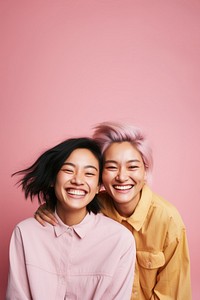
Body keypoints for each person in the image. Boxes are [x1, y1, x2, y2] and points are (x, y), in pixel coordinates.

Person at [35, 122, 192, 300]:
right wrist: (48, 207)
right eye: (111, 167)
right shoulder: (93, 205)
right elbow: (67, 208)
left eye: (132, 167)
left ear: (145, 171)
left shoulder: (168, 220)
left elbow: (173, 294)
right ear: (100, 174)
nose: (122, 177)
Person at [6, 137, 136, 300]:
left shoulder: (120, 240)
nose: (77, 180)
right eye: (68, 170)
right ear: (53, 179)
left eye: (89, 173)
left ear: (98, 187)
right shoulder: (25, 233)